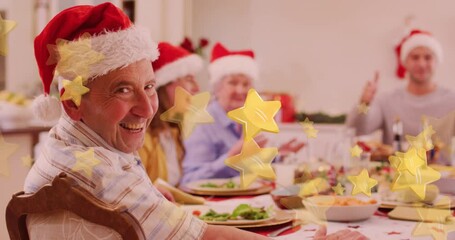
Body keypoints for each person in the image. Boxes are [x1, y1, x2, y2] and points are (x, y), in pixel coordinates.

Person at [23, 3, 367, 239]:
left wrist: (150, 197)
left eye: (149, 86)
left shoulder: (70, 144)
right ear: (71, 103)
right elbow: (200, 235)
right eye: (123, 90)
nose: (146, 108)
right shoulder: (98, 170)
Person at [181, 43, 305, 184]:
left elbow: (248, 165)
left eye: (246, 84)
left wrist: (277, 155)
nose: (240, 91)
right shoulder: (202, 124)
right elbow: (190, 179)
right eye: (233, 83)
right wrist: (231, 158)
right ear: (217, 88)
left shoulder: (245, 120)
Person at [346, 29, 455, 157]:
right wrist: (364, 103)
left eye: (428, 57)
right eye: (415, 57)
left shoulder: (451, 100)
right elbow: (358, 129)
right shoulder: (387, 100)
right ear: (405, 62)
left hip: (444, 175)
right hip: (396, 174)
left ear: (436, 62)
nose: (421, 63)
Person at [138, 42, 203, 186]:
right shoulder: (142, 140)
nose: (197, 88)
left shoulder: (171, 133)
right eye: (189, 79)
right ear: (164, 86)